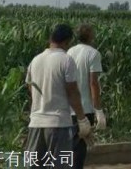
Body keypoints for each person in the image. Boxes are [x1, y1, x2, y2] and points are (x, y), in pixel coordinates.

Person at [24, 24, 93, 164]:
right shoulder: (66, 60)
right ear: (67, 41)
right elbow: (72, 92)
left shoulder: (35, 60)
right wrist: (82, 119)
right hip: (58, 124)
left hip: (36, 122)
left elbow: (31, 89)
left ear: (51, 39)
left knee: (35, 165)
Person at [67, 23, 107, 169]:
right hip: (85, 109)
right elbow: (93, 83)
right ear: (90, 35)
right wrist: (98, 110)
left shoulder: (70, 51)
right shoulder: (93, 54)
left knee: (69, 148)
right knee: (79, 150)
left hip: (68, 106)